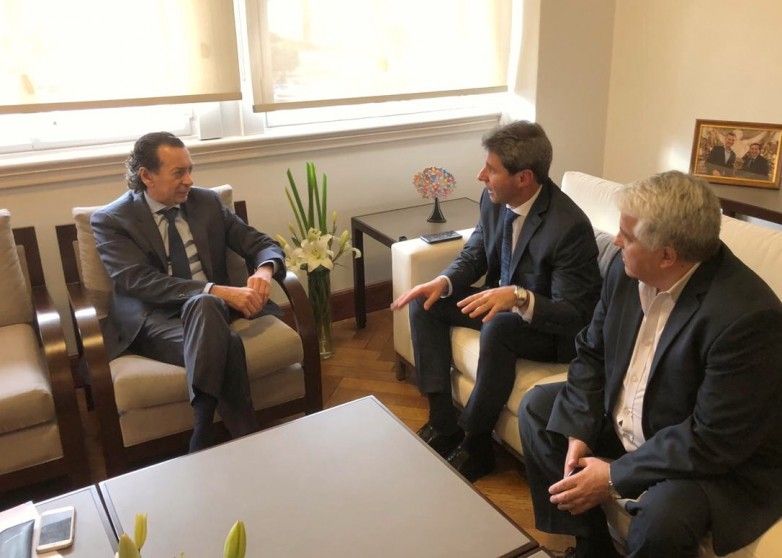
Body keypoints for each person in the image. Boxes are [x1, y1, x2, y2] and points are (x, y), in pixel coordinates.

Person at [519, 171, 782, 558]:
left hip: (707, 459)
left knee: (663, 520)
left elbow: (712, 439)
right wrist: (579, 431)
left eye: (627, 235)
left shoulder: (747, 317)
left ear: (667, 255)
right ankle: (592, 547)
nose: (616, 241)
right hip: (635, 418)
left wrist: (613, 475)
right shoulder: (626, 271)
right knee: (538, 410)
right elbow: (592, 352)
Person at [391, 121, 602, 481]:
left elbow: (574, 313)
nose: (481, 176)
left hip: (548, 329)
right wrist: (443, 281)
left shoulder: (568, 227)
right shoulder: (494, 201)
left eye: (491, 169)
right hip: (500, 304)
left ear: (523, 178)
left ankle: (476, 444)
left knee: (499, 325)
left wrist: (519, 298)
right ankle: (443, 423)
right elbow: (475, 253)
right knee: (426, 301)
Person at [92, 132, 286, 452]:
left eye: (190, 170)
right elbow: (138, 280)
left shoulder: (206, 202)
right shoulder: (113, 219)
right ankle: (244, 435)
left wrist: (265, 270)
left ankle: (202, 434)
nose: (189, 180)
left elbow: (261, 243)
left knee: (206, 305)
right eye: (178, 173)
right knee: (224, 336)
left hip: (211, 312)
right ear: (146, 176)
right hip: (154, 319)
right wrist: (218, 291)